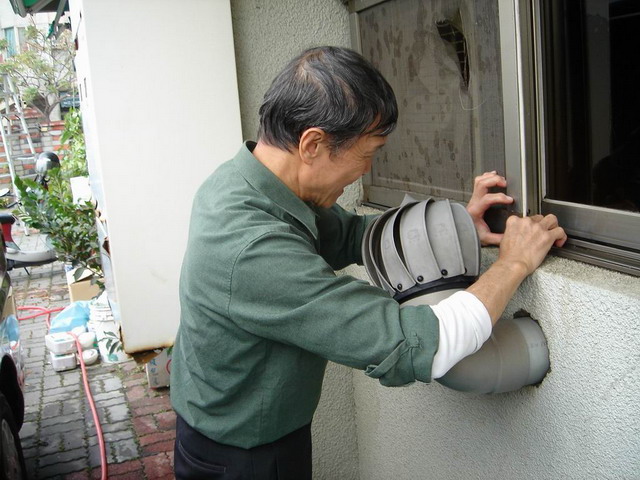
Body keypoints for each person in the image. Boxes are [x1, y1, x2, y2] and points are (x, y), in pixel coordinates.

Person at [170, 46, 566, 479]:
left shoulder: (248, 182)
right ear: (313, 144)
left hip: (222, 430)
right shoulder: (253, 249)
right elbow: (415, 344)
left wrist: (453, 226)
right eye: (368, 153)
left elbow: (355, 235)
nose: (366, 170)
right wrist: (512, 264)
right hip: (242, 458)